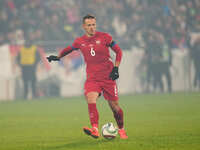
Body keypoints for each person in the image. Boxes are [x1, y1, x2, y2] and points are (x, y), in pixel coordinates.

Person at [47, 14, 128, 139]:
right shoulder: (80, 41)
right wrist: (58, 57)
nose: (92, 27)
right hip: (92, 78)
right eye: (89, 25)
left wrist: (116, 68)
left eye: (94, 25)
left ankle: (121, 129)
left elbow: (118, 51)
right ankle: (95, 129)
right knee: (91, 98)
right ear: (84, 26)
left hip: (108, 77)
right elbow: (69, 49)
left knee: (115, 108)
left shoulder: (105, 37)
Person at [17, 33, 40, 99]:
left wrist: (35, 64)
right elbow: (18, 58)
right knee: (25, 82)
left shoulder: (34, 48)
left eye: (28, 41)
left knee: (33, 81)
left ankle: (34, 94)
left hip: (31, 67)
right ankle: (25, 95)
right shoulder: (22, 49)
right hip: (24, 67)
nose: (27, 43)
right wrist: (20, 65)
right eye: (26, 41)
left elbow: (38, 57)